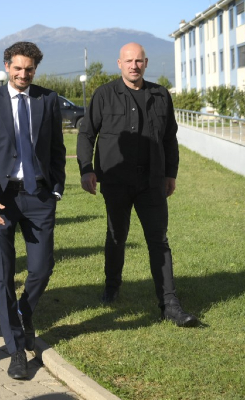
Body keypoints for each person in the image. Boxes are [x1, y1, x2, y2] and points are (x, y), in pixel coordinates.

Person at [76, 42, 198, 328]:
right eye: (129, 61)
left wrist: (170, 174)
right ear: (120, 64)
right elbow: (86, 134)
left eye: (139, 61)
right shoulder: (104, 95)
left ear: (146, 63)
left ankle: (169, 304)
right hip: (116, 181)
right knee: (116, 236)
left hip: (152, 181)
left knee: (159, 240)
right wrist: (86, 170)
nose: (134, 66)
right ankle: (112, 287)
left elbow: (169, 138)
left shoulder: (160, 95)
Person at [0, 41, 66, 380]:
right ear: (7, 66)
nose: (23, 74)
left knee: (42, 268)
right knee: (3, 275)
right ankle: (16, 351)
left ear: (35, 69)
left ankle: (24, 310)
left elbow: (57, 147)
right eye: (18, 68)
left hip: (39, 196)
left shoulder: (47, 99)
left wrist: (56, 187)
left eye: (29, 69)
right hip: (0, 199)